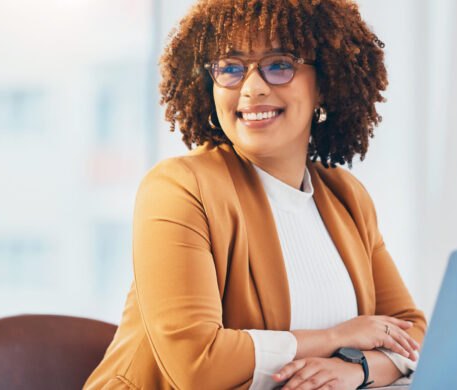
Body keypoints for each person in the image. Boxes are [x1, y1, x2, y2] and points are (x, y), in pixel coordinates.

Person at [83, 0, 426, 389]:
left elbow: (412, 332)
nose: (252, 88)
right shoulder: (179, 189)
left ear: (326, 83)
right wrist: (337, 339)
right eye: (230, 68)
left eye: (279, 64)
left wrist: (355, 370)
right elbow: (197, 364)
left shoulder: (345, 196)